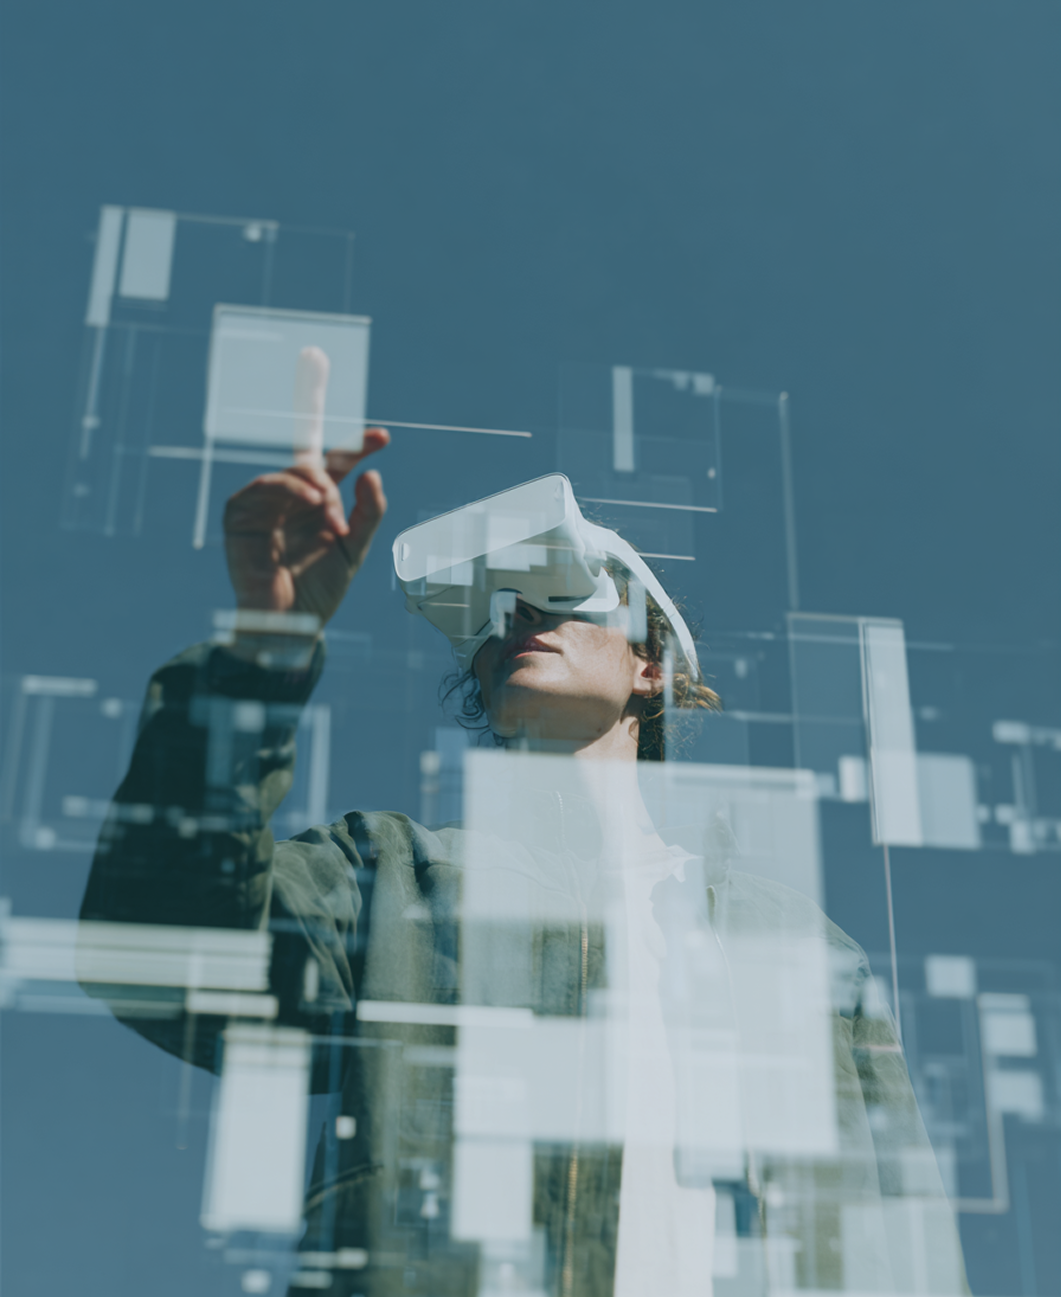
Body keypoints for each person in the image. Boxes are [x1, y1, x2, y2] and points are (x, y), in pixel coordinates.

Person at [79, 407, 968, 1297]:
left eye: (564, 589)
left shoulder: (800, 950)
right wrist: (260, 658)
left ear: (650, 665)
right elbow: (160, 952)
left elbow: (906, 1242)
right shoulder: (393, 879)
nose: (519, 616)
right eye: (496, 613)